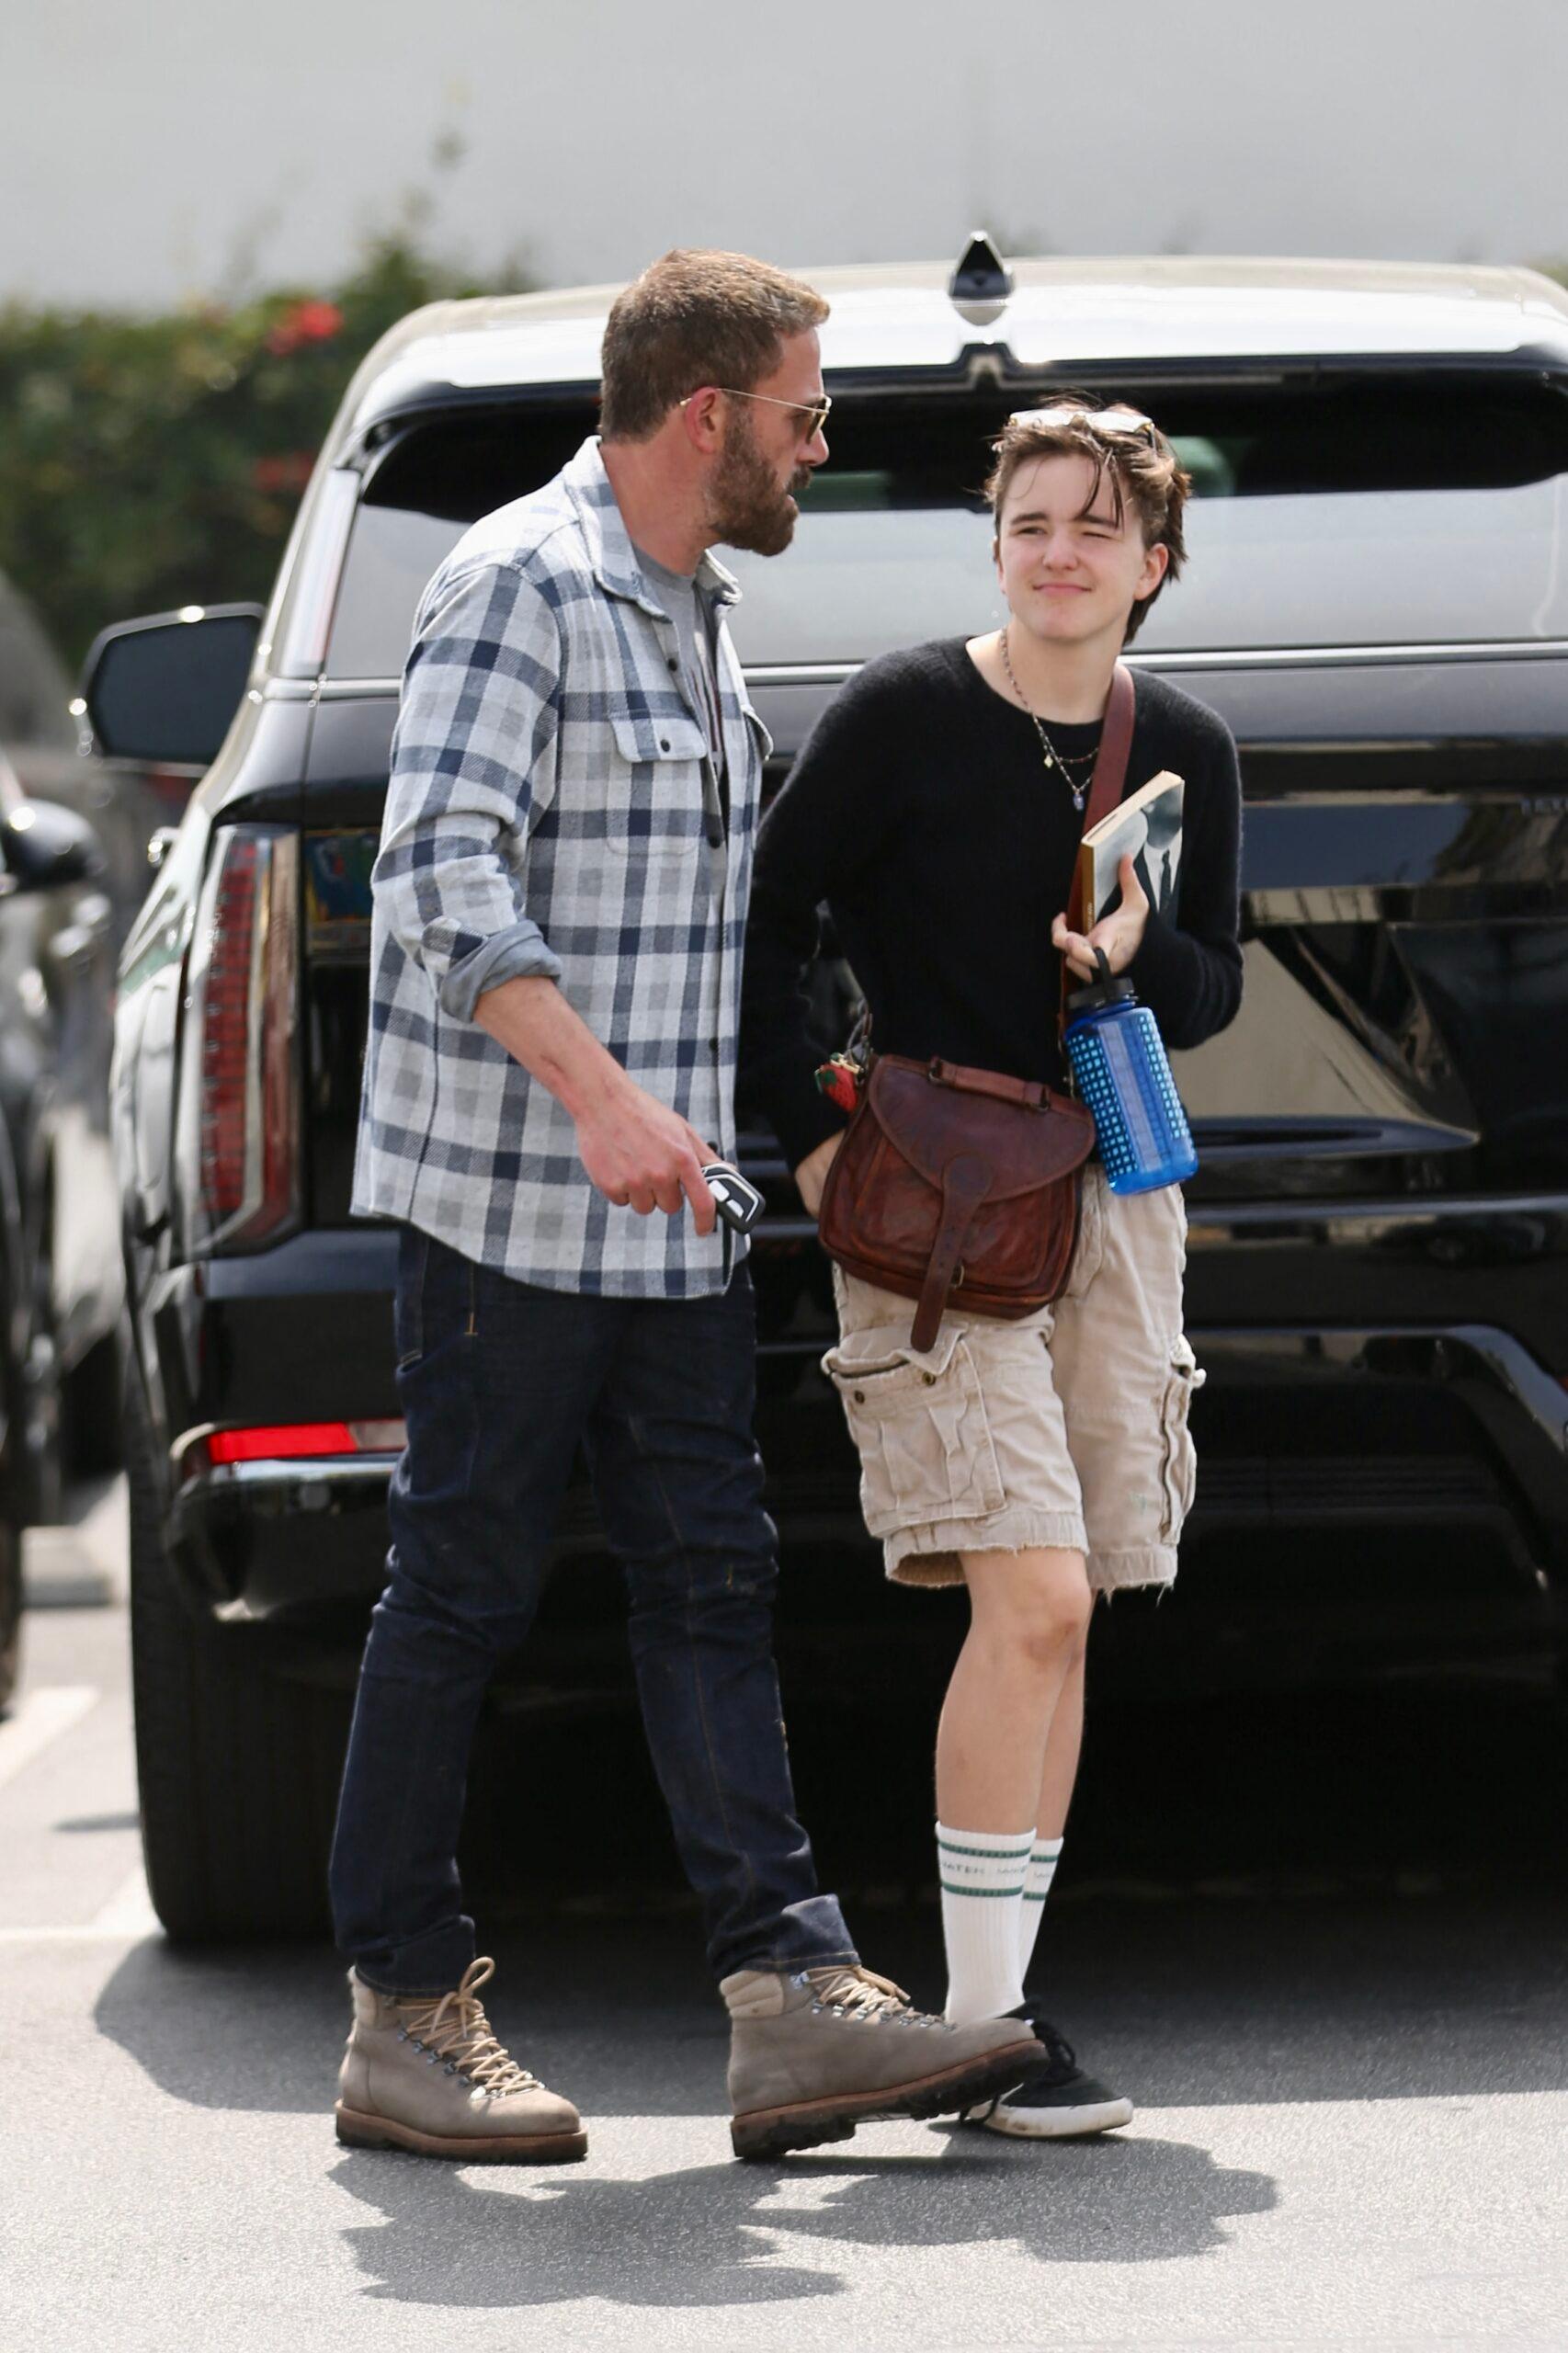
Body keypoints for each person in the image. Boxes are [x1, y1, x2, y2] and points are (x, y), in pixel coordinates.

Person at [332, 248, 1039, 2167]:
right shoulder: (519, 582)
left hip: (677, 1217)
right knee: (462, 1591)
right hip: (513, 1213)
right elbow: (440, 878)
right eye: (806, 412)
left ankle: (784, 1991)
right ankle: (404, 2010)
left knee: (714, 1582)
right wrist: (601, 1098)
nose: (823, 445)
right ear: (707, 412)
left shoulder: (692, 611)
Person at [741, 397, 1243, 2139]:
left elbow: (1214, 992)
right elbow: (769, 914)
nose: (1057, 552)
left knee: (1077, 1602)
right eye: (1029, 521)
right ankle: (975, 2029)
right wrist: (792, 1142)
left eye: (1095, 529)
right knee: (1024, 1598)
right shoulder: (900, 713)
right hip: (933, 1208)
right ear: (997, 541)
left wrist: (1138, 945)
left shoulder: (1177, 740)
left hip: (1108, 1199)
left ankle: (994, 2020)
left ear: (1150, 564)